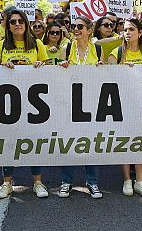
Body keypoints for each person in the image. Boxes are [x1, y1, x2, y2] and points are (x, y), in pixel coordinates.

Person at [0, 8, 50, 199]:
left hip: (34, 103)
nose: (17, 24)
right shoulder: (1, 46)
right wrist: (1, 66)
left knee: (34, 140)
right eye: (13, 22)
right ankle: (6, 183)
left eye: (21, 21)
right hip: (8, 102)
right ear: (7, 26)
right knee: (9, 142)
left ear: (26, 23)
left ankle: (38, 182)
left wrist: (42, 66)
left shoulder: (37, 44)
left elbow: (49, 70)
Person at [106, 18, 142, 198]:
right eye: (125, 30)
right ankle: (127, 179)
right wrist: (122, 70)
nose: (127, 33)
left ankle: (139, 181)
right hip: (122, 103)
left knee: (139, 141)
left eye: (132, 30)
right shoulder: (117, 52)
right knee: (125, 141)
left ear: (140, 33)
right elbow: (108, 75)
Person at [58, 16, 103, 199]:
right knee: (69, 142)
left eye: (80, 26)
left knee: (91, 142)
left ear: (89, 30)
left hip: (91, 103)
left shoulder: (97, 49)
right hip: (70, 103)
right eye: (74, 26)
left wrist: (101, 68)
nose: (75, 29)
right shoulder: (67, 48)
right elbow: (58, 76)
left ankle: (92, 182)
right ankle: (66, 182)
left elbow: (103, 76)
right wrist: (62, 66)